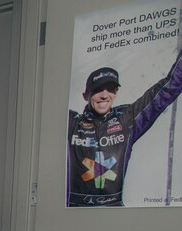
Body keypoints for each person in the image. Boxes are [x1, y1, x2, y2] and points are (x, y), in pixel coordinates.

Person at [67, 51, 182, 206]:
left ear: (116, 93)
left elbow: (167, 89)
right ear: (85, 95)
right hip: (75, 212)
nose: (104, 95)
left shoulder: (125, 119)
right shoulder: (71, 123)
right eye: (98, 89)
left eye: (111, 89)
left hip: (114, 211)